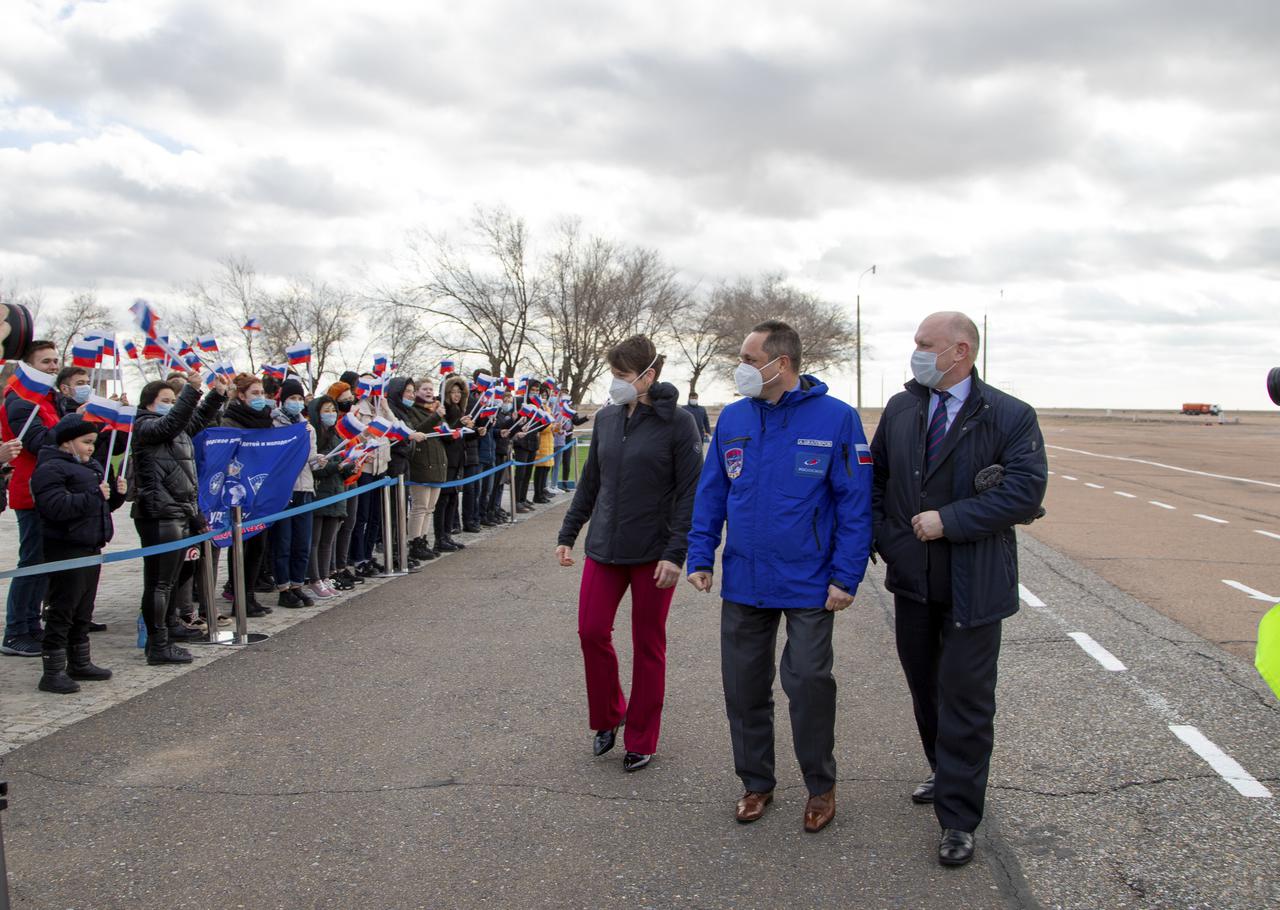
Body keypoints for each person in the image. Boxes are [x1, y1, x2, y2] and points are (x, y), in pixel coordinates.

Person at [870, 311, 1047, 867]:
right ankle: (944, 772)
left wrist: (949, 519)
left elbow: (1024, 492)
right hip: (914, 582)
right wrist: (890, 541)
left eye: (925, 344)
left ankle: (958, 817)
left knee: (967, 703)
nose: (916, 352)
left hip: (975, 585)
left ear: (961, 351)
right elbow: (874, 483)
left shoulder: (1009, 416)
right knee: (925, 690)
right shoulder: (902, 408)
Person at [685, 320, 873, 833]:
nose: (741, 368)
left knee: (809, 682)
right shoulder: (734, 418)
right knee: (744, 687)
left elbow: (855, 504)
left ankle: (820, 786)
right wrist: (700, 555)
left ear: (781, 363)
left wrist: (846, 577)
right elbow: (712, 493)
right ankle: (756, 783)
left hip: (812, 581)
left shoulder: (836, 419)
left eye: (748, 359)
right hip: (746, 578)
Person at [557, 335, 703, 772]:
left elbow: (689, 494)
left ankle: (642, 737)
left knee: (647, 643)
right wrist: (569, 532)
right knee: (591, 631)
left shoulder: (678, 424)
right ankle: (608, 715)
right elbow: (591, 483)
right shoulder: (605, 419)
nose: (616, 384)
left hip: (654, 552)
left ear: (648, 376)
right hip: (604, 547)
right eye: (614, 376)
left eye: (623, 376)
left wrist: (676, 553)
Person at [132, 372, 228, 664]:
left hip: (181, 511)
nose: (172, 406)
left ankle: (172, 627)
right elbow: (172, 422)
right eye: (165, 401)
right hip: (159, 513)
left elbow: (191, 422)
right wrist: (192, 390)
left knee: (178, 576)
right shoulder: (146, 426)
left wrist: (217, 395)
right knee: (159, 582)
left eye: (174, 400)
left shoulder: (175, 429)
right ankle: (158, 644)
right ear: (148, 404)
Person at [29, 415, 127, 693]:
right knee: (63, 609)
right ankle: (53, 670)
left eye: (93, 443)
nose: (91, 448)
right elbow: (56, 508)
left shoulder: (91, 466)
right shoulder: (50, 468)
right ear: (67, 442)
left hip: (91, 545)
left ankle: (80, 661)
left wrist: (116, 496)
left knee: (83, 609)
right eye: (86, 442)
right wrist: (95, 495)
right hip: (66, 547)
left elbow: (100, 507)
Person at [1, 339, 63, 657]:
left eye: (55, 361)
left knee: (43, 563)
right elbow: (39, 442)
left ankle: (32, 625)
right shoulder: (21, 401)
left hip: (51, 489)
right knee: (31, 563)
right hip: (31, 492)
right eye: (45, 362)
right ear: (28, 366)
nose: (53, 366)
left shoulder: (47, 399)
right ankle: (15, 631)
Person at [220, 374, 276, 616]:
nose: (259, 398)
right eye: (254, 393)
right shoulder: (231, 420)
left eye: (261, 393)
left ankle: (250, 594)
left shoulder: (266, 420)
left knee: (258, 546)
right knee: (242, 543)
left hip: (260, 489)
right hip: (239, 491)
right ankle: (239, 596)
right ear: (241, 395)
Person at [271, 378, 325, 607]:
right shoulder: (273, 425)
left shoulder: (307, 427)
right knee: (283, 541)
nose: (296, 402)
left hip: (305, 488)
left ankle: (297, 585)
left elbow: (311, 459)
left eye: (299, 398)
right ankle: (283, 588)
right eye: (292, 398)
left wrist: (319, 461)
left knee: (302, 542)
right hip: (284, 490)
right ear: (283, 399)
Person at [305, 396, 354, 595]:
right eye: (326, 410)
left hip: (337, 492)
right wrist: (336, 466)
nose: (331, 414)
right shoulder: (312, 434)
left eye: (333, 410)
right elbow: (313, 467)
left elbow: (341, 464)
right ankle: (314, 578)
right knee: (314, 541)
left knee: (328, 541)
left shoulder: (338, 436)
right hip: (318, 492)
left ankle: (325, 576)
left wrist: (349, 467)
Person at [404, 377, 447, 559]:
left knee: (430, 507)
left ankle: (423, 539)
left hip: (437, 463)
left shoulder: (434, 411)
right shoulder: (413, 411)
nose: (429, 392)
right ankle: (414, 542)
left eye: (431, 389)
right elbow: (417, 429)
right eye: (424, 389)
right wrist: (436, 416)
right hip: (421, 464)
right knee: (420, 507)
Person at [435, 376, 473, 551]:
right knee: (443, 500)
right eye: (453, 391)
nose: (456, 395)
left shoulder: (459, 409)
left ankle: (447, 535)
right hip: (446, 459)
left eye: (459, 392)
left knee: (452, 498)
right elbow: (447, 433)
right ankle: (439, 537)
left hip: (458, 457)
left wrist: (477, 431)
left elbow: (462, 434)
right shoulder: (443, 409)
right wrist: (460, 423)